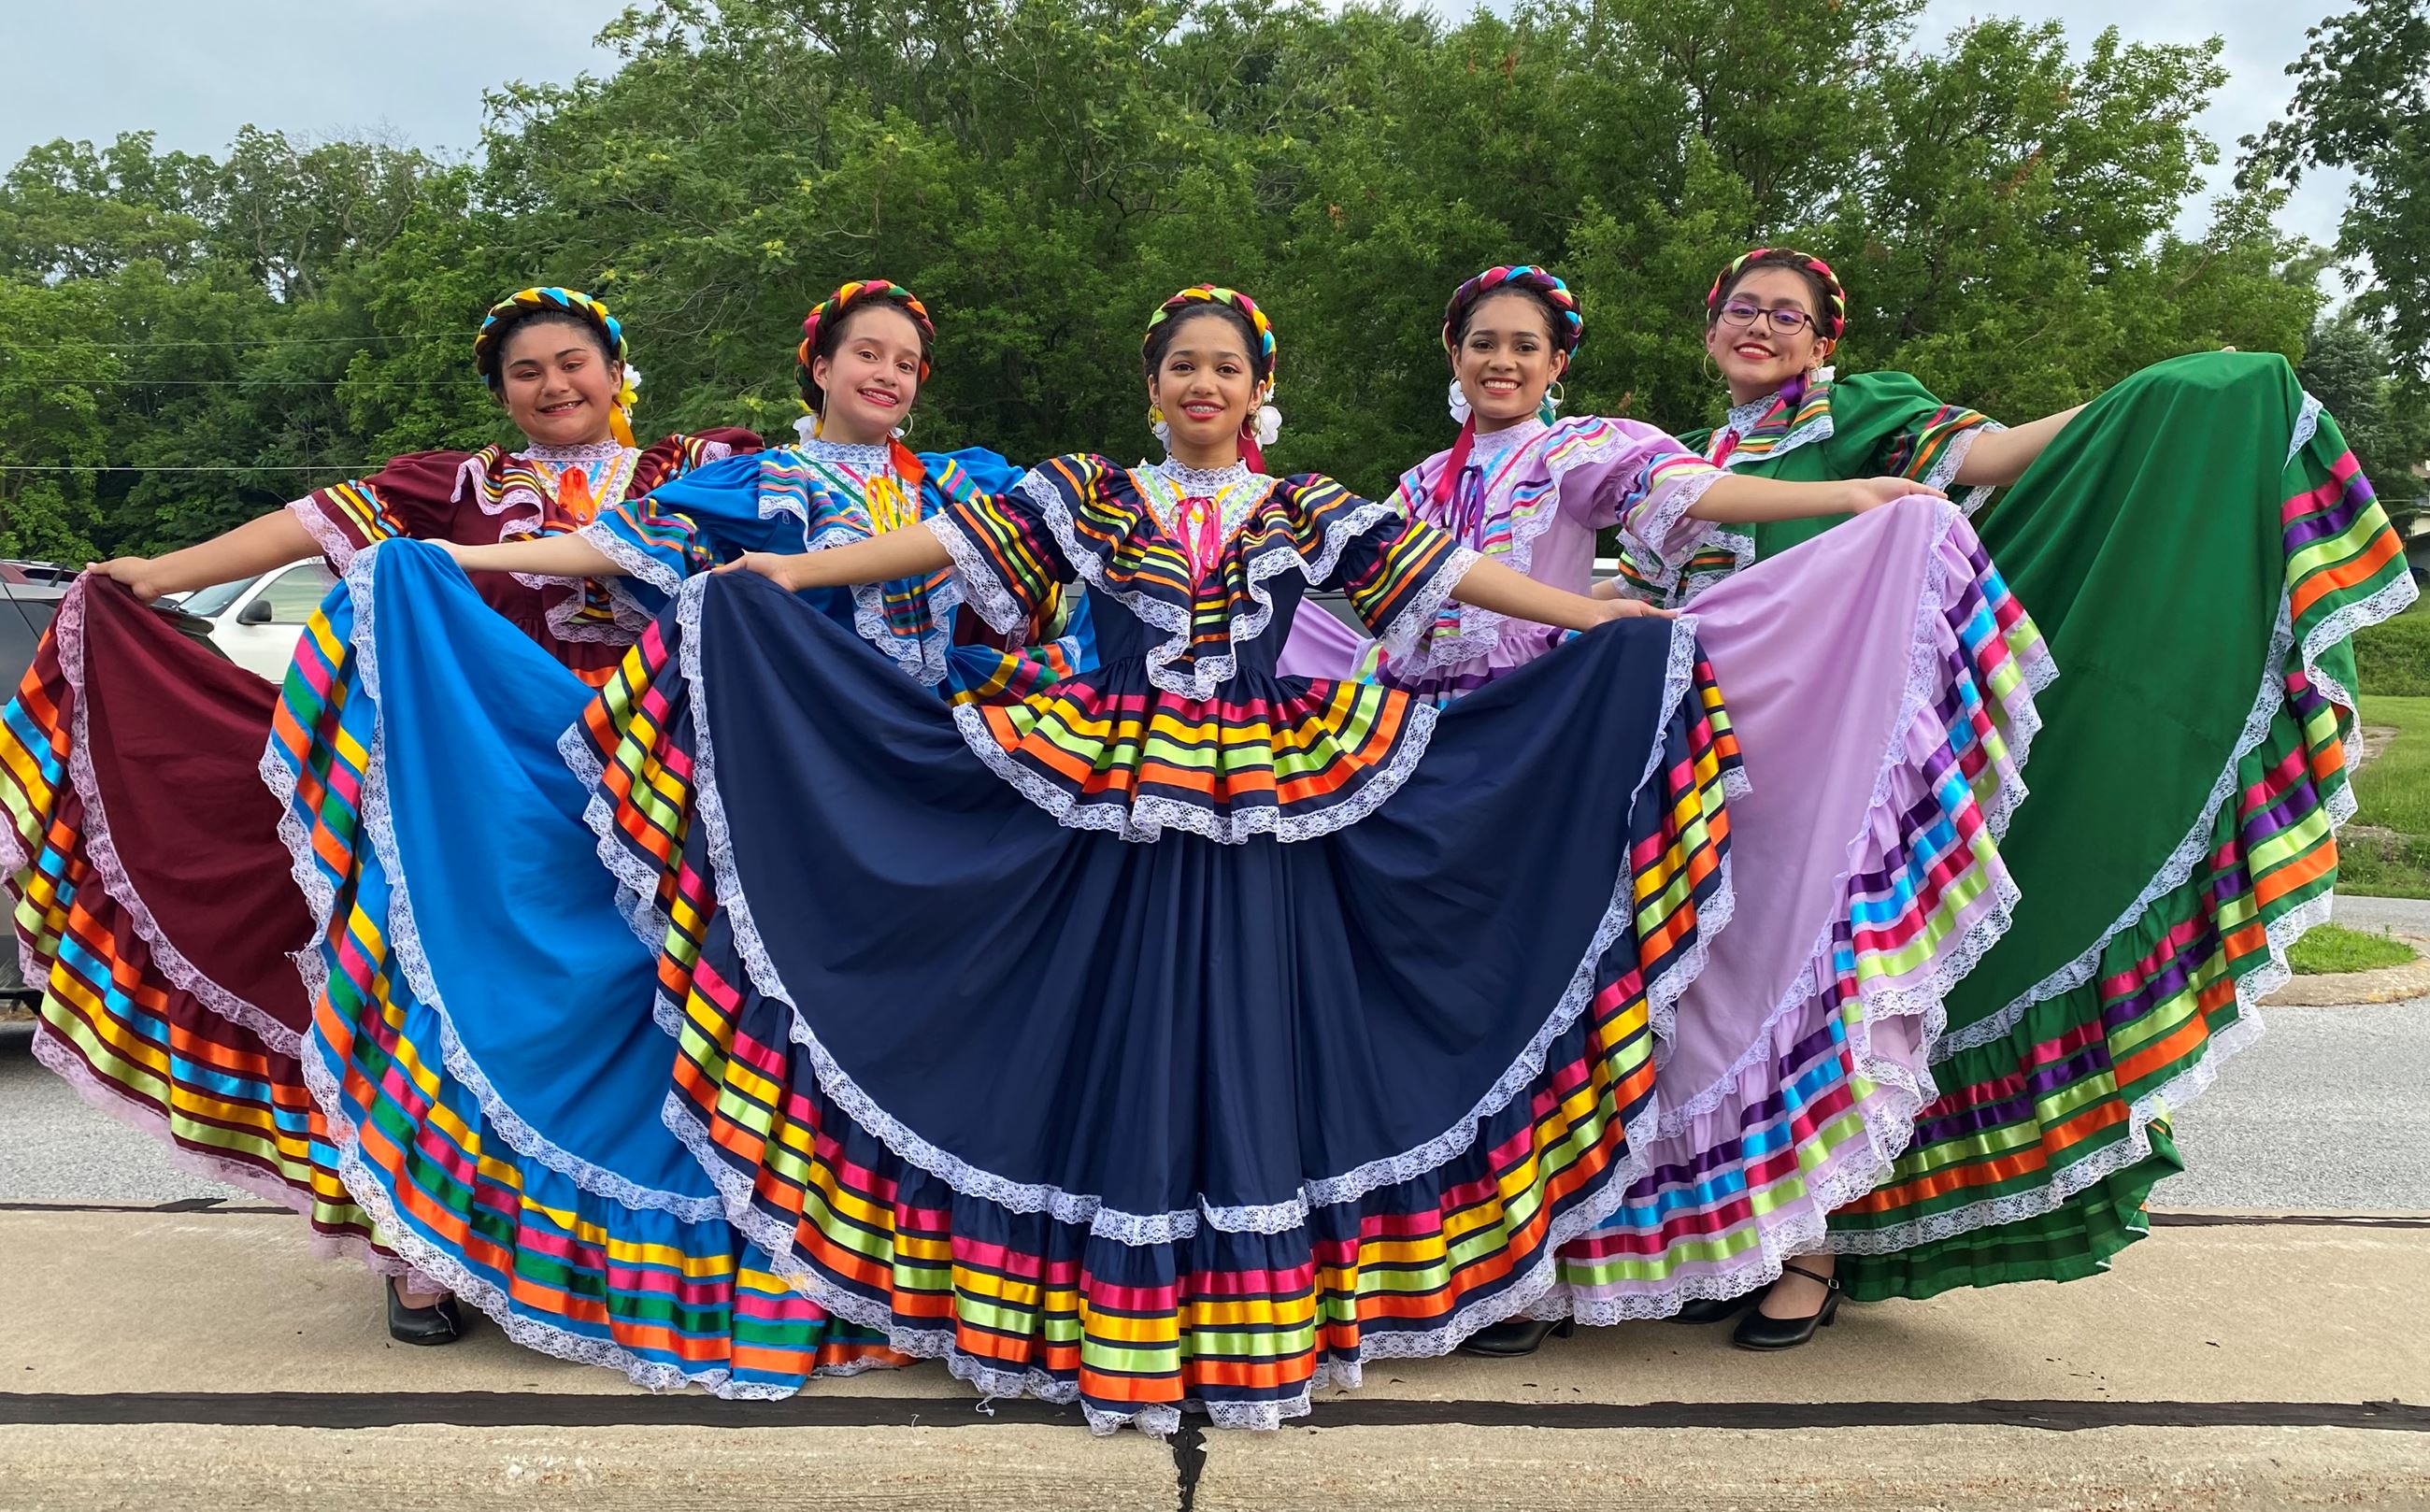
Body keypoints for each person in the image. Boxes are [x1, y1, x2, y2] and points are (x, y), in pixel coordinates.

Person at [259, 278, 1092, 1394]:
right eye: (864, 355)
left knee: (945, 1015)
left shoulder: (963, 483)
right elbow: (601, 553)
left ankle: (936, 1265)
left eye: (903, 360)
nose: (885, 374)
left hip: (930, 768)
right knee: (784, 1014)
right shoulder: (750, 484)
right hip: (799, 780)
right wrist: (445, 563)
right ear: (819, 369)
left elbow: (1074, 561)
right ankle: (794, 1257)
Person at [1644, 247, 2419, 1331]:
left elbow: (1998, 455)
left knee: (1828, 992)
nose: (1760, 327)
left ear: (1825, 341)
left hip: (1846, 759)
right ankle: (1733, 1232)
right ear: (1709, 326)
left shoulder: (1864, 413)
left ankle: (1808, 1258)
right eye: (1740, 309)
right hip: (1719, 766)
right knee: (1713, 1005)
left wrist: (2142, 401)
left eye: (1788, 315)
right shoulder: (1683, 459)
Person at [1280, 265, 2050, 1354]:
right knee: (1463, 1007)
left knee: (1561, 1001)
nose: (1501, 360)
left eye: (1525, 346)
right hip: (1443, 766)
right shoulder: (1413, 487)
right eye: (1482, 342)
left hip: (1553, 755)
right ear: (1451, 358)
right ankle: (1475, 1257)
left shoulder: (1579, 449)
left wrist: (1843, 498)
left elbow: (1692, 494)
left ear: (1556, 366)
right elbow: (1374, 596)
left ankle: (1542, 1261)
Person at [0, 286, 754, 1344]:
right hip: (478, 782)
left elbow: (811, 534)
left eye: (572, 362)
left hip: (655, 773)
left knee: (657, 1008)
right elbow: (307, 528)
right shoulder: (453, 487)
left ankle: (641, 1255)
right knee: (444, 996)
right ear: (501, 395)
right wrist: (159, 574)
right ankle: (427, 1258)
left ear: (616, 370)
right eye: (524, 372)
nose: (552, 386)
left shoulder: (693, 466)